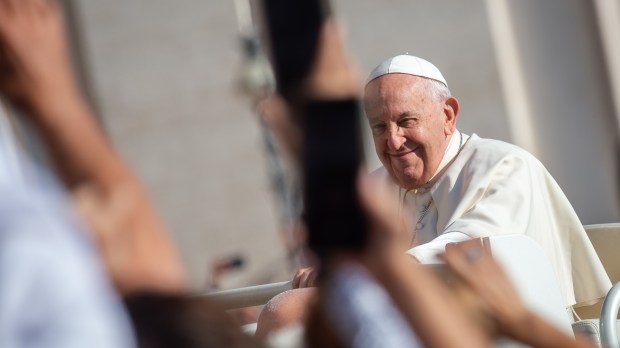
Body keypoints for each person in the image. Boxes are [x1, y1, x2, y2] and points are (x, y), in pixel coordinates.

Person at [363, 54, 611, 310]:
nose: (393, 141)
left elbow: (471, 249)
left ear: (447, 116)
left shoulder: (507, 166)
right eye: (379, 127)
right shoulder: (373, 188)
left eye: (406, 121)